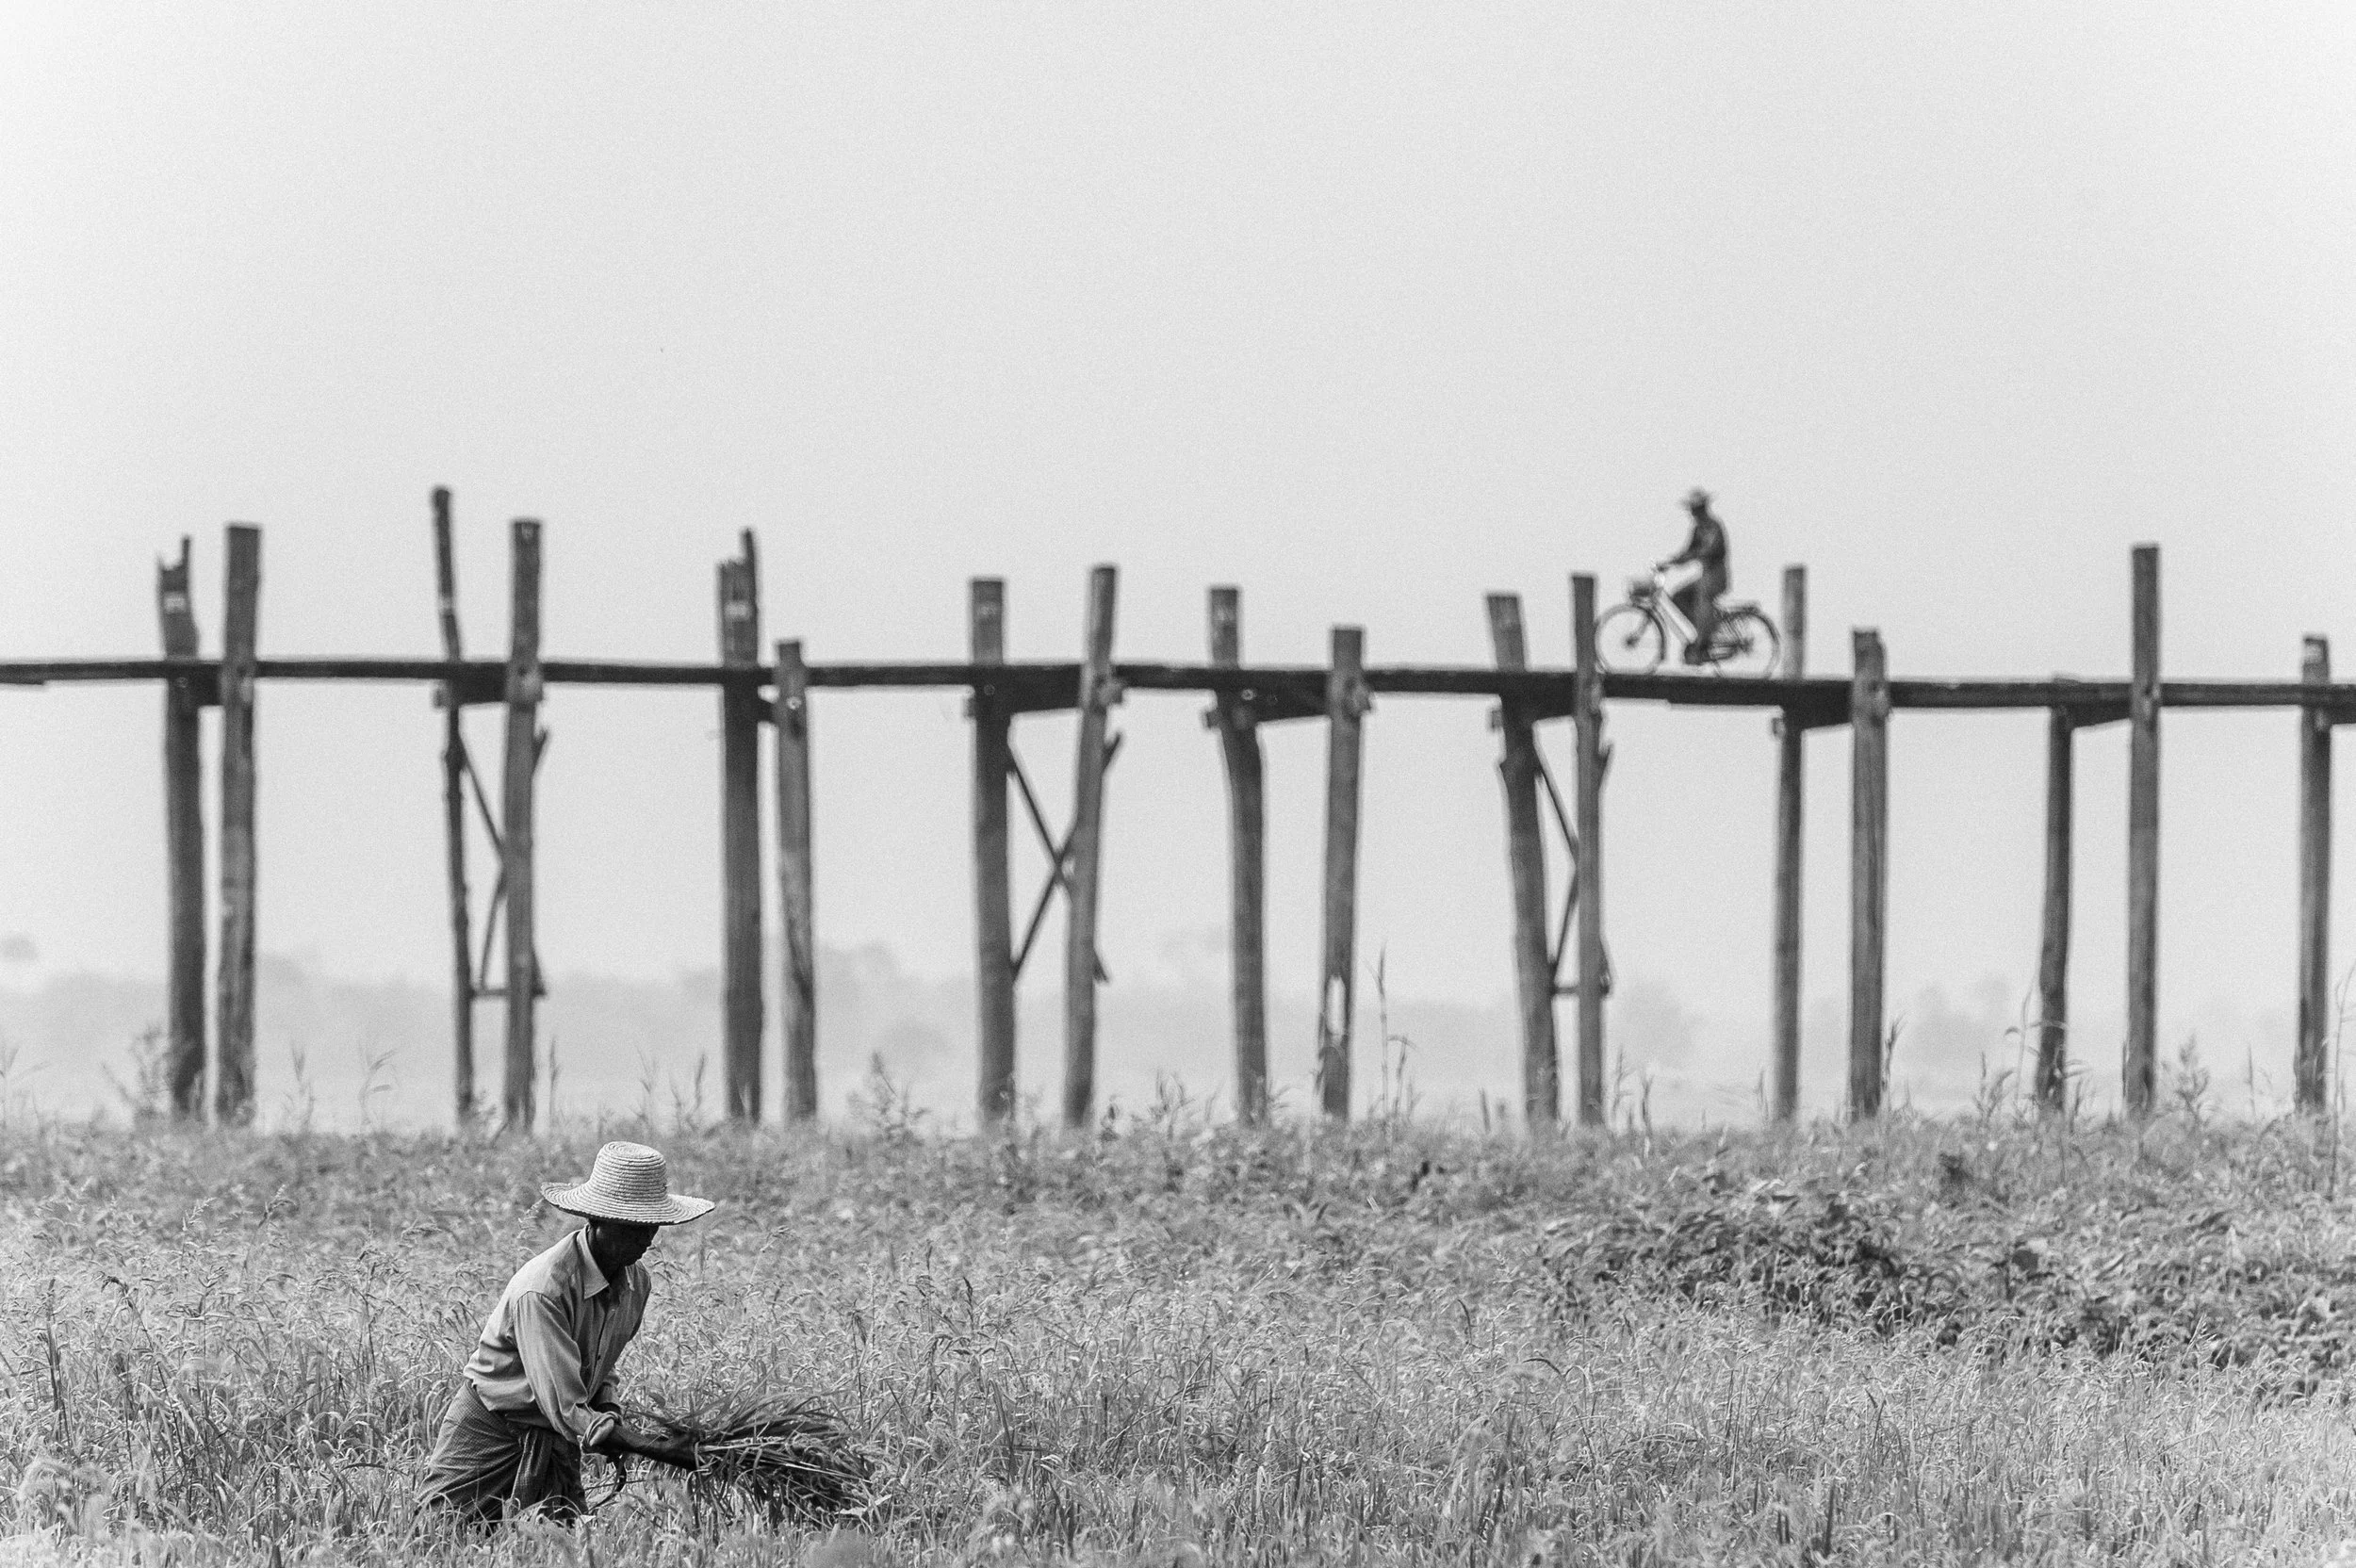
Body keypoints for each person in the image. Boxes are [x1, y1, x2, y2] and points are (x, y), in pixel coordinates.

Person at [418, 1141, 714, 1525]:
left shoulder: (635, 1282)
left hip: (554, 1436)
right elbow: (567, 1407)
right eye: (633, 1226)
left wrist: (608, 1410)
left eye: (652, 1225)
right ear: (596, 1221)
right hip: (493, 1425)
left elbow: (600, 1365)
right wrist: (659, 1448)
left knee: (554, 1546)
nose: (647, 1239)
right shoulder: (543, 1291)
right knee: (437, 1536)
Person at [1658, 488, 1731, 665]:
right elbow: (1689, 551)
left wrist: (1693, 555)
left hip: (1717, 576)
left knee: (1702, 597)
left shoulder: (1714, 526)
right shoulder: (1698, 529)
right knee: (1678, 597)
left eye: (1694, 509)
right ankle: (1703, 630)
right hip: (1705, 575)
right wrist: (1671, 562)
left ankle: (1704, 639)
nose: (1692, 513)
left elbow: (1711, 550)